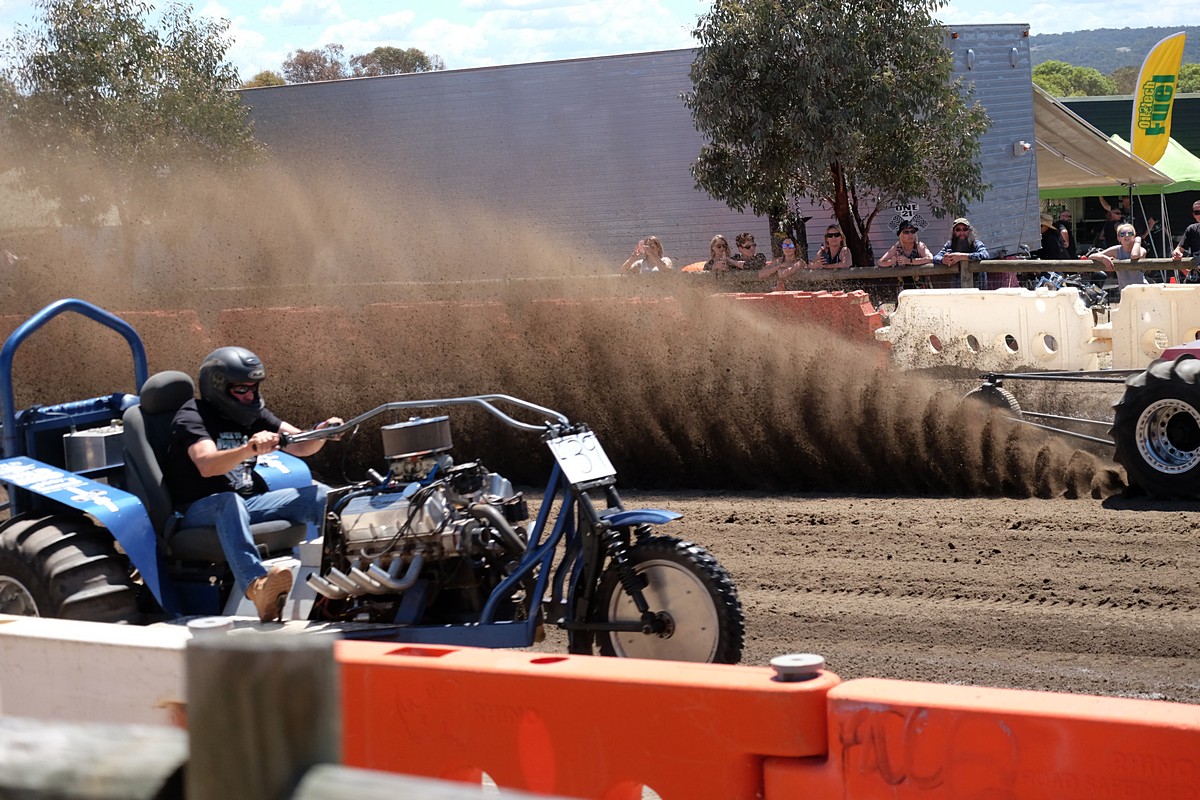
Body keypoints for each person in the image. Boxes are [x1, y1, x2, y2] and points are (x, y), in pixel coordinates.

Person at [165, 347, 343, 623]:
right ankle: (257, 586)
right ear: (218, 387)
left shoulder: (252, 413)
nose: (250, 395)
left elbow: (300, 445)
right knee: (229, 501)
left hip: (247, 503)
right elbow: (207, 464)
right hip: (198, 509)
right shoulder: (193, 415)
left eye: (253, 387)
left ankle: (342, 572)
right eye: (241, 389)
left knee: (319, 495)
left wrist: (322, 433)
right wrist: (248, 449)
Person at [1090, 222, 1147, 296]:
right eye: (1123, 234)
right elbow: (1091, 256)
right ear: (1118, 238)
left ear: (1134, 236)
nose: (1127, 235)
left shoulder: (1141, 250)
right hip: (1125, 292)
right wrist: (1103, 258)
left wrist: (1138, 242)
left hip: (1142, 290)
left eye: (1130, 233)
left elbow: (1134, 255)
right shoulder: (1117, 250)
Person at [878, 220, 933, 289]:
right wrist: (891, 262)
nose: (910, 234)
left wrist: (909, 261)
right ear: (901, 235)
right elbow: (880, 262)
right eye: (906, 232)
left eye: (912, 232)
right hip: (903, 287)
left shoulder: (919, 245)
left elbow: (930, 258)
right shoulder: (897, 247)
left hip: (921, 287)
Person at [934, 218, 989, 287]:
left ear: (970, 231)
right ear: (953, 232)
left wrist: (961, 257)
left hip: (978, 289)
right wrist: (944, 260)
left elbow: (985, 255)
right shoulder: (949, 245)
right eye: (958, 230)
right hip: (958, 289)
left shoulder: (976, 244)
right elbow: (936, 257)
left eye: (965, 229)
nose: (962, 233)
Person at [1171, 198, 1200, 274]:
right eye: (1197, 212)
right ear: (1194, 215)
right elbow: (1178, 249)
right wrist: (1176, 254)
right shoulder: (1191, 229)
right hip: (1195, 276)